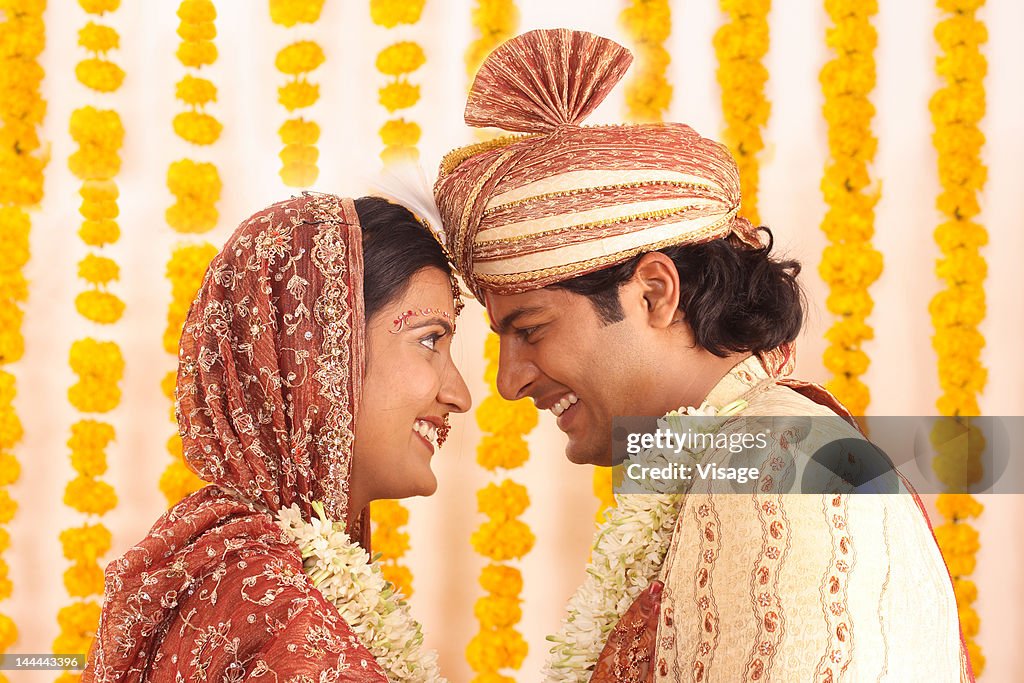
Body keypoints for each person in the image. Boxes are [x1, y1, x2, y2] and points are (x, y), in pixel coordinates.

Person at [434, 28, 972, 682]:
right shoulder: (742, 456)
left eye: (531, 329)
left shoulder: (781, 469)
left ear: (655, 292)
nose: (509, 381)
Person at [84, 193, 470, 682]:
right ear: (318, 350)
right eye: (430, 340)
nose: (460, 395)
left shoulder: (234, 563)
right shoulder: (273, 611)